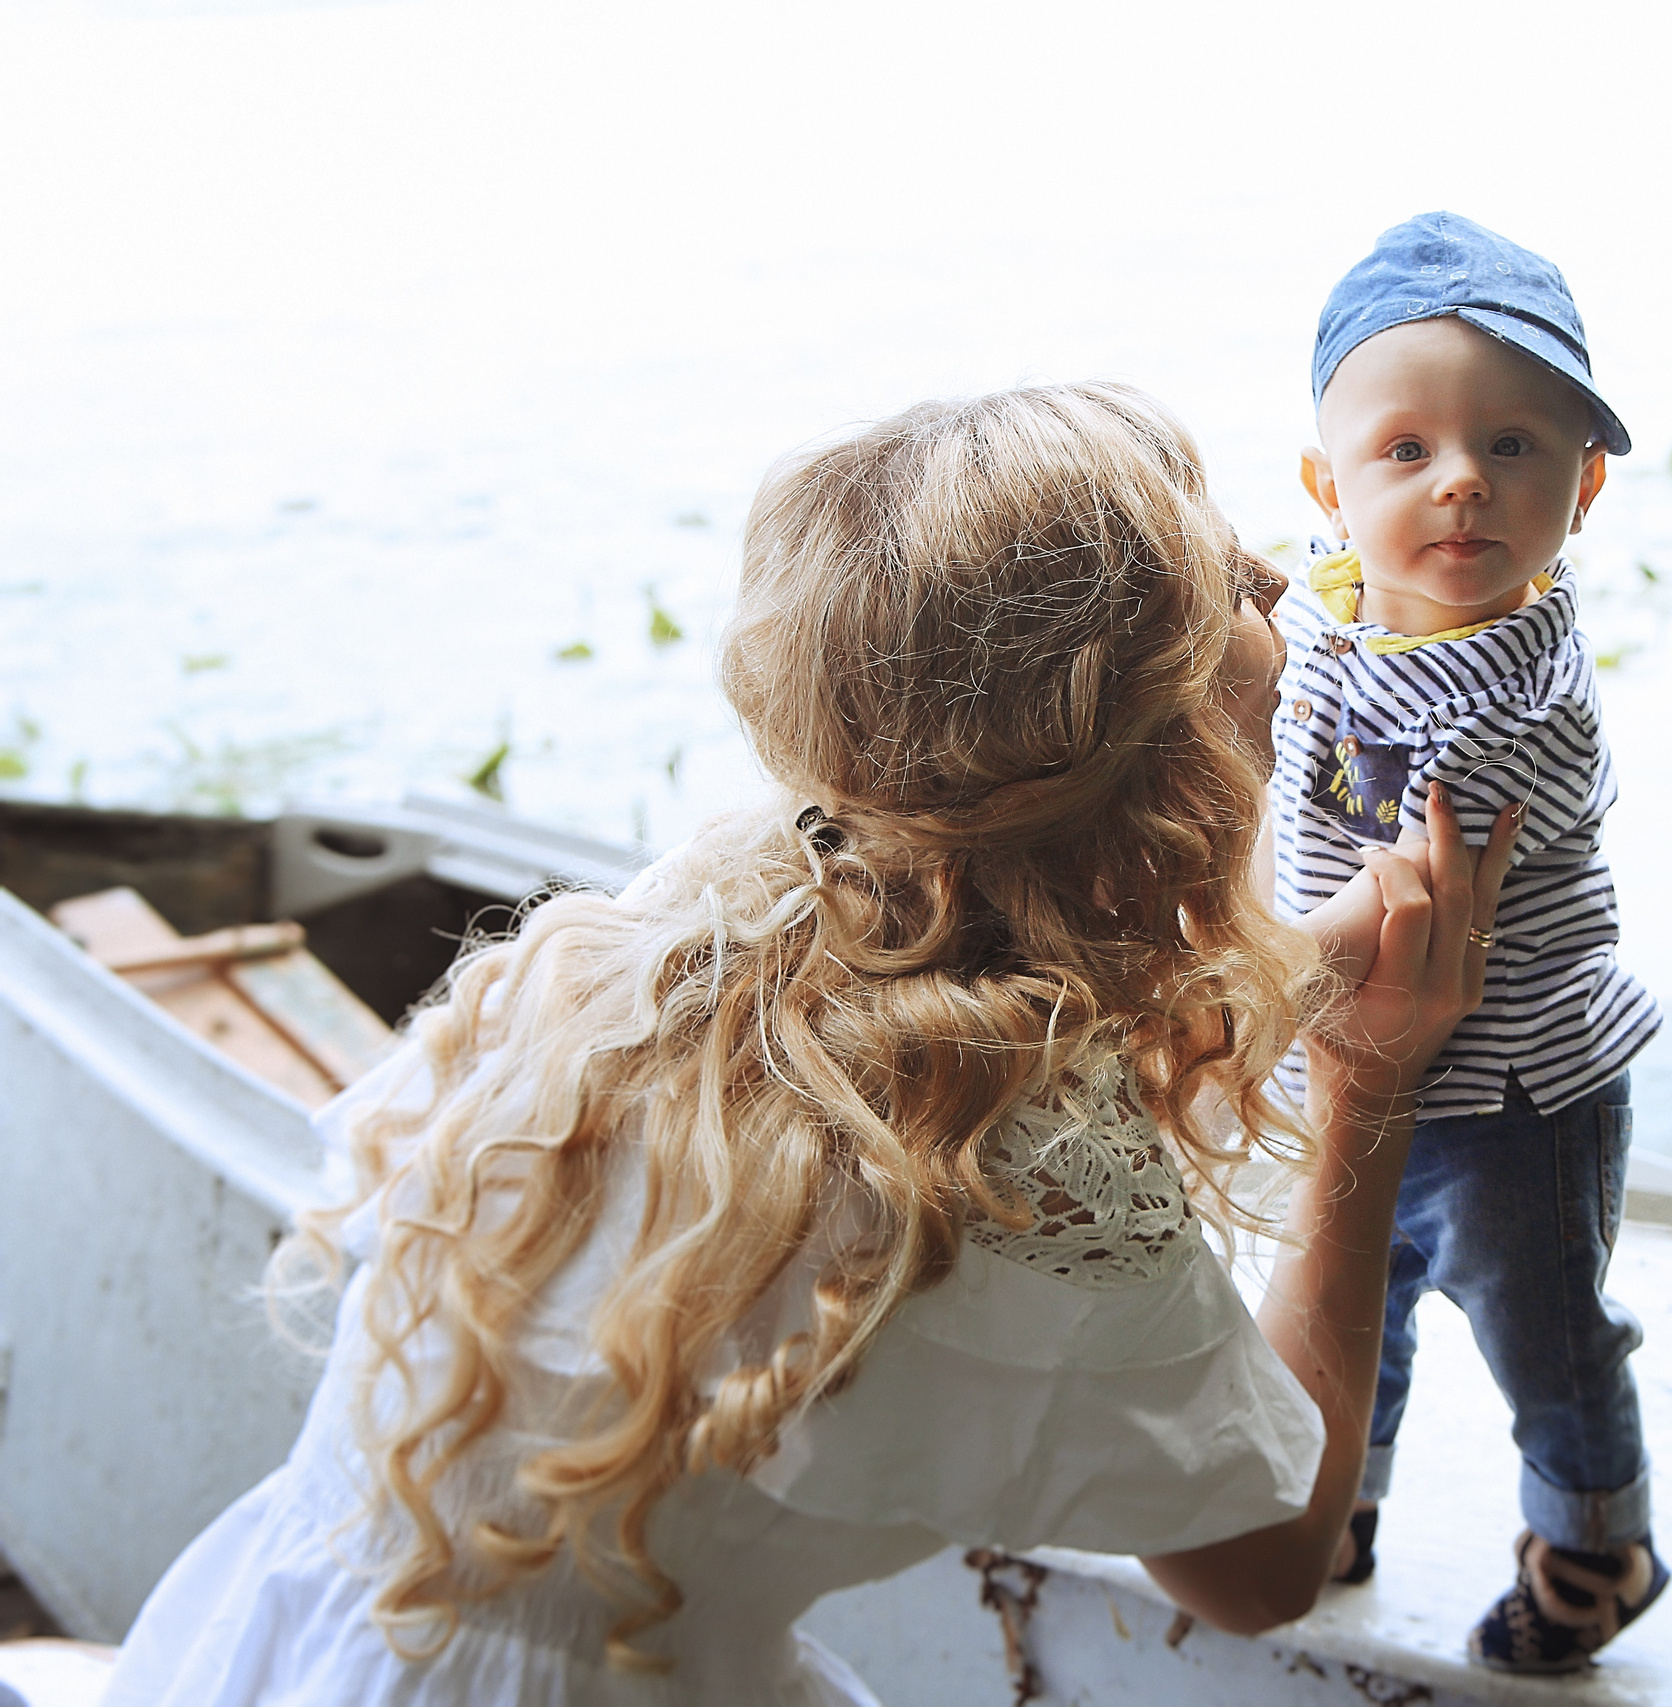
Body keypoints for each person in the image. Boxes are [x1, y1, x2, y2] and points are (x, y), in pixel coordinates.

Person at [101, 382, 1520, 1706]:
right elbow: (1262, 1564)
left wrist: (1272, 981)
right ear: (1163, 791)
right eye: (1224, 580)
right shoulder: (1048, 1181)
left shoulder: (695, 910)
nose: (1279, 577)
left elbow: (999, 1012)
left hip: (299, 1641)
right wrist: (1368, 1081)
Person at [1267, 212, 1669, 1674]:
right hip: (1376, 1055)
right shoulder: (1347, 604)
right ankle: (1337, 1500)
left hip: (1513, 1093)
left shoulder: (1494, 694)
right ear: (1328, 488)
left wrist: (1229, 1000)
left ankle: (1596, 1538)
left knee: (1543, 1327)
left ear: (1587, 483)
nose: (1461, 484)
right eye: (1406, 451)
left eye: (1515, 447)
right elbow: (1283, 630)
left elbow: (1397, 898)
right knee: (1352, 1284)